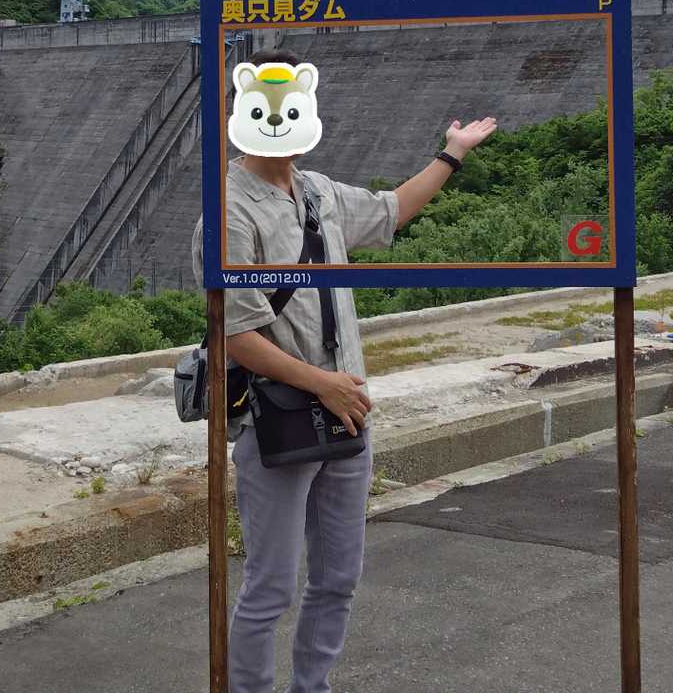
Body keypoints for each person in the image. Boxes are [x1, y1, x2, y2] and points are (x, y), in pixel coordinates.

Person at [193, 48, 497, 693]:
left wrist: (451, 154)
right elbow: (237, 335)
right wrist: (322, 384)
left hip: (348, 411)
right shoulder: (228, 210)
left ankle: (314, 686)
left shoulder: (319, 192)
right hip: (278, 418)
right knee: (271, 585)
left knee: (337, 578)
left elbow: (391, 210)